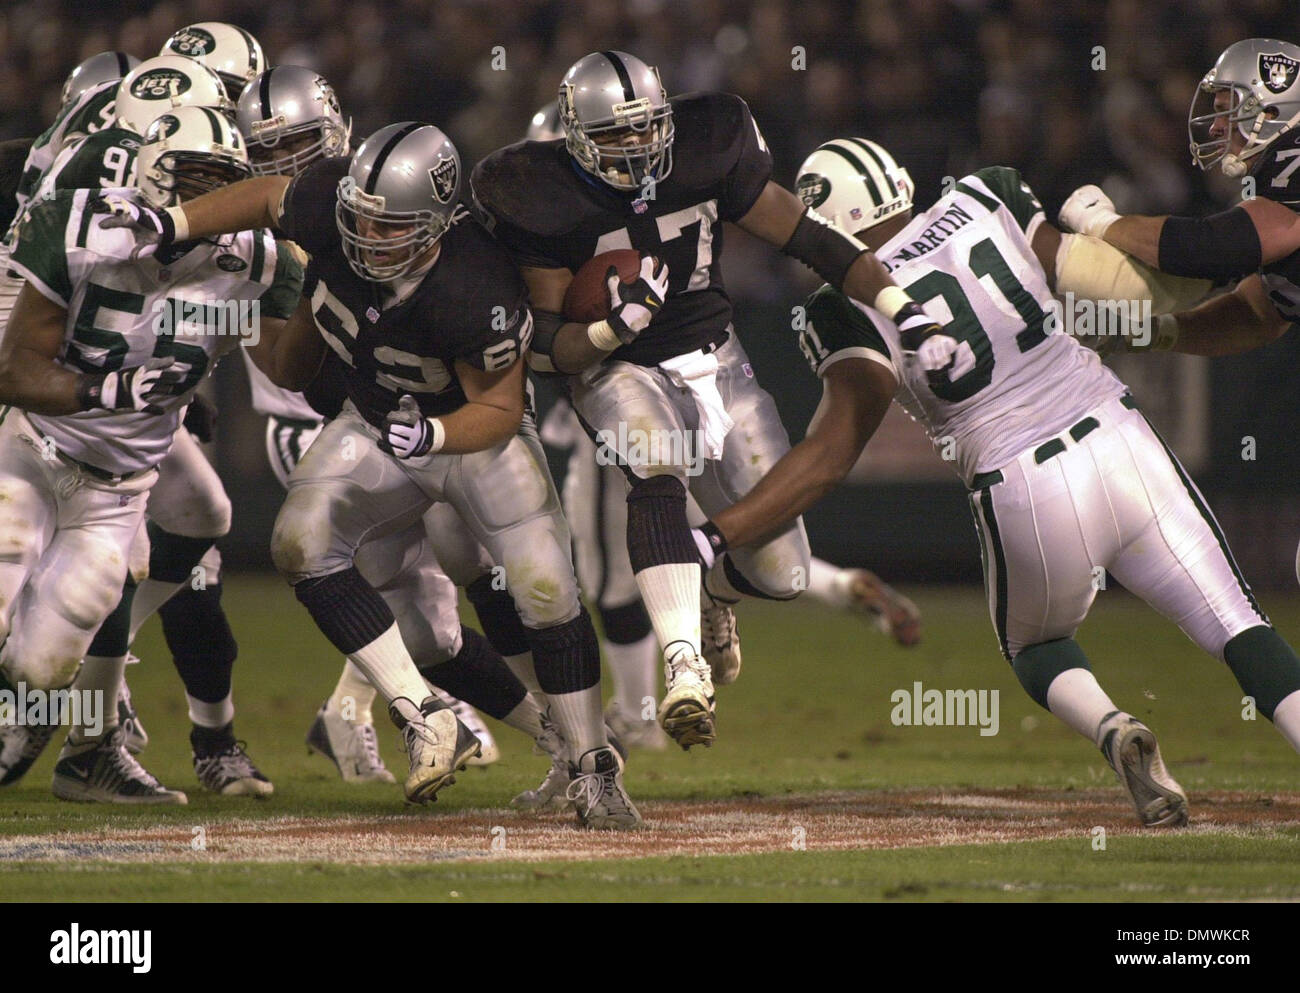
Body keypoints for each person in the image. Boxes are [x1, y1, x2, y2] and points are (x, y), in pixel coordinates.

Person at [693, 135, 1300, 827]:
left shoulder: (842, 305)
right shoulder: (988, 195)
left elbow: (831, 454)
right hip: (1117, 432)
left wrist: (717, 534)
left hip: (1021, 483)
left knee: (1035, 645)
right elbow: (1108, 281)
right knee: (1239, 625)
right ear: (894, 180)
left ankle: (1112, 727)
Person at [102, 122, 642, 827]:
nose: (365, 235)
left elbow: (501, 407)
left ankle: (593, 763)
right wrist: (169, 222)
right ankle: (422, 715)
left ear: (438, 224)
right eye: (358, 216)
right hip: (378, 419)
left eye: (389, 226)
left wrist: (436, 432)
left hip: (471, 433)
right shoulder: (331, 204)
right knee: (302, 542)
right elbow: (267, 195)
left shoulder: (474, 283)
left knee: (545, 588)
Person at [472, 52, 948, 750]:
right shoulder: (535, 191)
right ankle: (683, 664)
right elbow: (546, 344)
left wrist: (901, 304)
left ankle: (717, 595)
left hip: (717, 356)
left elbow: (810, 237)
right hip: (616, 367)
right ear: (574, 138)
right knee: (655, 468)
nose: (637, 145)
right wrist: (607, 330)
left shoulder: (710, 142)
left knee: (782, 574)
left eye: (647, 128)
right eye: (617, 134)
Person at [0, 107, 302, 802]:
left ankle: (79, 738)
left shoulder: (252, 260)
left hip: (119, 493)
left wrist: (316, 297)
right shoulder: (84, 227)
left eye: (220, 183)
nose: (207, 201)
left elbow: (287, 364)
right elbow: (13, 370)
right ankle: (95, 741)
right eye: (192, 178)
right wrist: (112, 385)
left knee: (43, 669)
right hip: (33, 452)